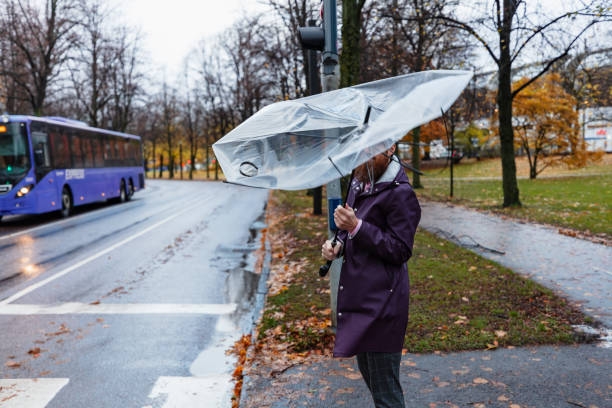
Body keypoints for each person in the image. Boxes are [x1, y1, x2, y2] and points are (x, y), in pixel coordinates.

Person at [321, 144, 421, 408]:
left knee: (386, 393)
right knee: (373, 381)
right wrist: (338, 244)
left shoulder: (401, 194)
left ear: (390, 147)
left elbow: (400, 250)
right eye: (359, 150)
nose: (362, 157)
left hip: (383, 305)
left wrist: (356, 227)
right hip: (361, 300)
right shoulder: (359, 181)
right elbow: (349, 230)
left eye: (370, 150)